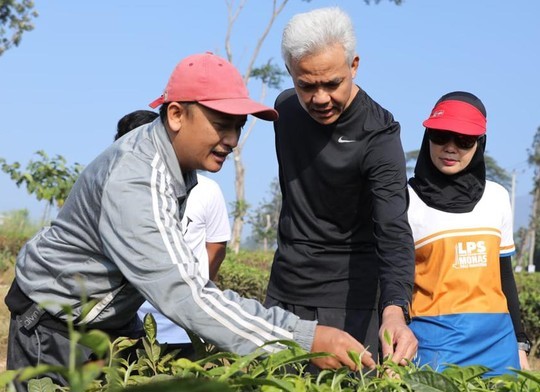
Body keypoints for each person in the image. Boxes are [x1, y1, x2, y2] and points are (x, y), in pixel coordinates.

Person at [5, 52, 376, 391]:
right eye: (221, 124)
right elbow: (184, 292)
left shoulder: (174, 166)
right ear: (177, 114)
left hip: (109, 325)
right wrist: (303, 339)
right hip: (54, 328)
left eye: (239, 126)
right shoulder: (136, 178)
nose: (232, 140)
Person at [264, 6, 417, 367]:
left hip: (350, 300)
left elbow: (393, 228)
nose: (320, 98)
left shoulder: (378, 134)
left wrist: (395, 311)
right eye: (306, 85)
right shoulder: (284, 109)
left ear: (354, 65)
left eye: (332, 83)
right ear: (290, 73)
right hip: (285, 289)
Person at [407, 91, 532, 376]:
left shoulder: (497, 197)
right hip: (432, 345)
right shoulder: (405, 200)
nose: (450, 148)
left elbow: (504, 277)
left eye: (463, 140)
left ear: (479, 144)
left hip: (498, 347)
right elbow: (392, 280)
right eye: (440, 136)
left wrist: (520, 343)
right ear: (428, 136)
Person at [115, 110, 232, 357]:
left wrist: (193, 289)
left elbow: (217, 247)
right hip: (129, 322)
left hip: (186, 325)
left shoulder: (206, 189)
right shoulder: (119, 190)